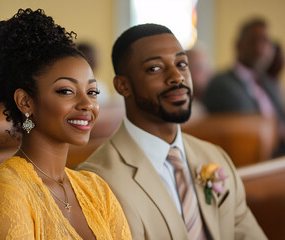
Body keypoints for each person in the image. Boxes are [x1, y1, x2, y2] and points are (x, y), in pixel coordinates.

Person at [77, 23, 266, 239]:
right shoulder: (97, 182)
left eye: (182, 63)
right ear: (123, 86)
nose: (177, 77)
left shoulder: (215, 157)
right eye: (155, 68)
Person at [0, 9, 131, 239]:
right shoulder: (4, 194)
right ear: (25, 102)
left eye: (92, 92)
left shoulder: (96, 190)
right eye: (66, 91)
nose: (87, 104)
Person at [202, 18, 285, 156]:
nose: (260, 48)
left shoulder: (270, 83)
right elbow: (244, 129)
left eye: (265, 41)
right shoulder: (220, 84)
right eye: (253, 41)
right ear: (238, 45)